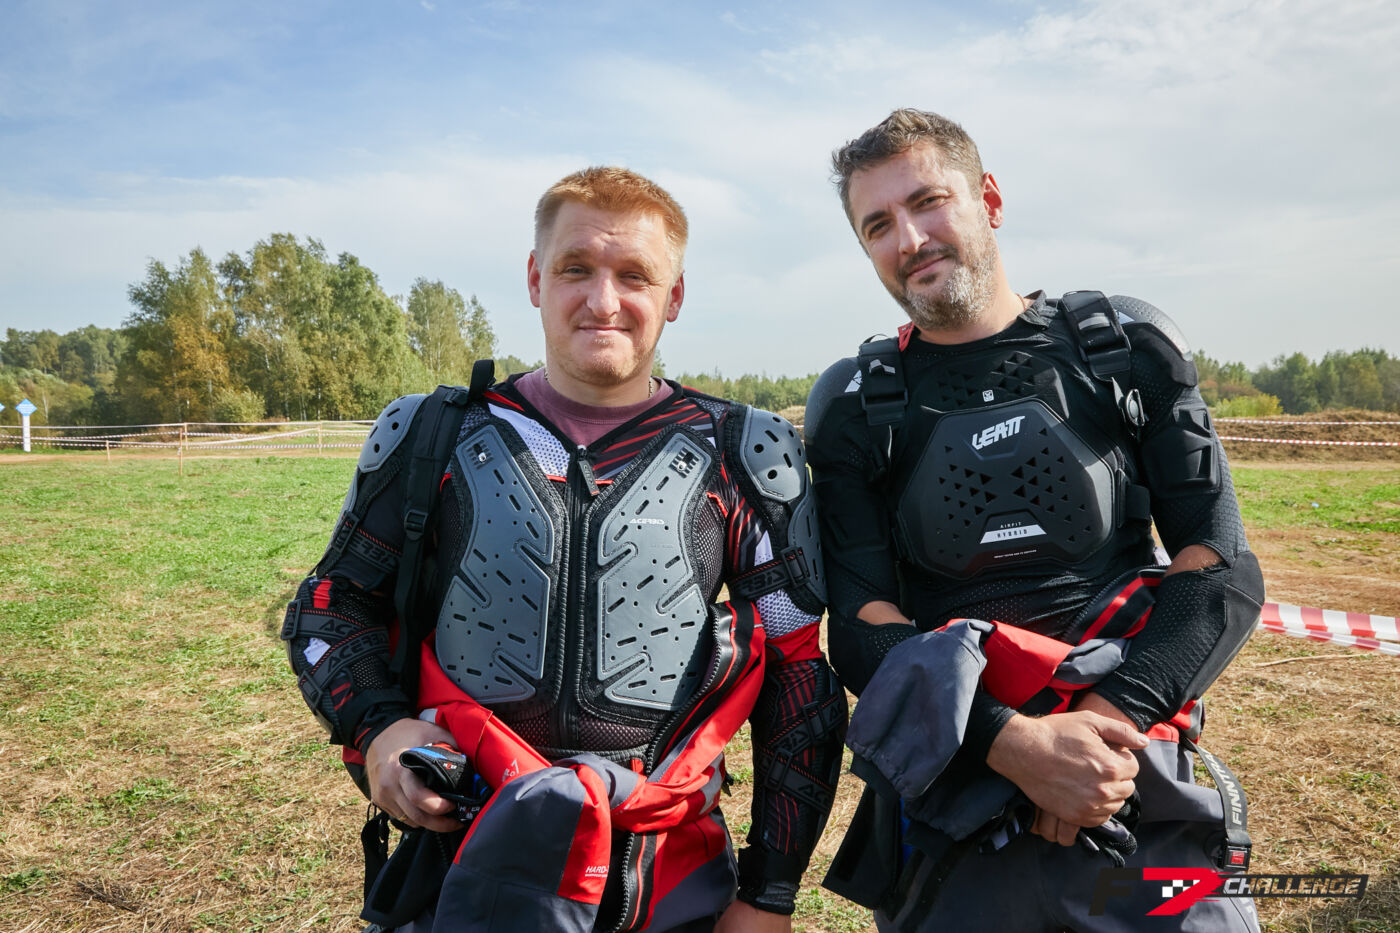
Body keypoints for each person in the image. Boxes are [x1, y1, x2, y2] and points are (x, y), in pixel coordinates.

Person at [283, 167, 846, 933]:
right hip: (464, 855)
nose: (603, 300)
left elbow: (797, 672)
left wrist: (770, 893)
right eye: (576, 267)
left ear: (675, 295)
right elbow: (331, 603)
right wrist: (380, 729)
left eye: (634, 275)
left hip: (668, 878)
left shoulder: (744, 453)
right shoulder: (432, 434)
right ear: (534, 278)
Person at [805, 109, 1265, 931]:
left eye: (928, 202)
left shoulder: (1121, 347)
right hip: (957, 804)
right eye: (877, 225)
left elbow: (1220, 567)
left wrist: (1100, 732)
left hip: (1128, 778)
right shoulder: (854, 405)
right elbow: (864, 630)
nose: (909, 239)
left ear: (988, 199)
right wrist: (1014, 745)